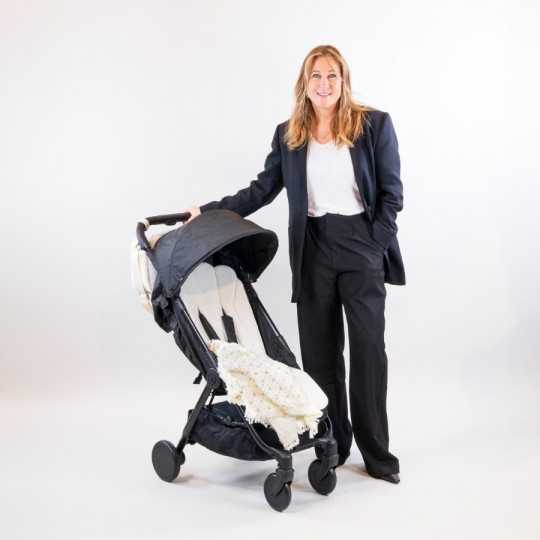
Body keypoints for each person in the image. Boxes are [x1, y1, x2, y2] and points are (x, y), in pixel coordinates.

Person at [184, 44, 405, 484]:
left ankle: (377, 455)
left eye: (332, 76)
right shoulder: (290, 134)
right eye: (316, 76)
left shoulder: (374, 124)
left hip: (361, 245)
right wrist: (207, 211)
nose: (324, 84)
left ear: (344, 81)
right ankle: (333, 446)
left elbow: (392, 195)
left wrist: (374, 244)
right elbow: (260, 190)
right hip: (313, 250)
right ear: (304, 84)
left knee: (368, 352)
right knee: (320, 357)